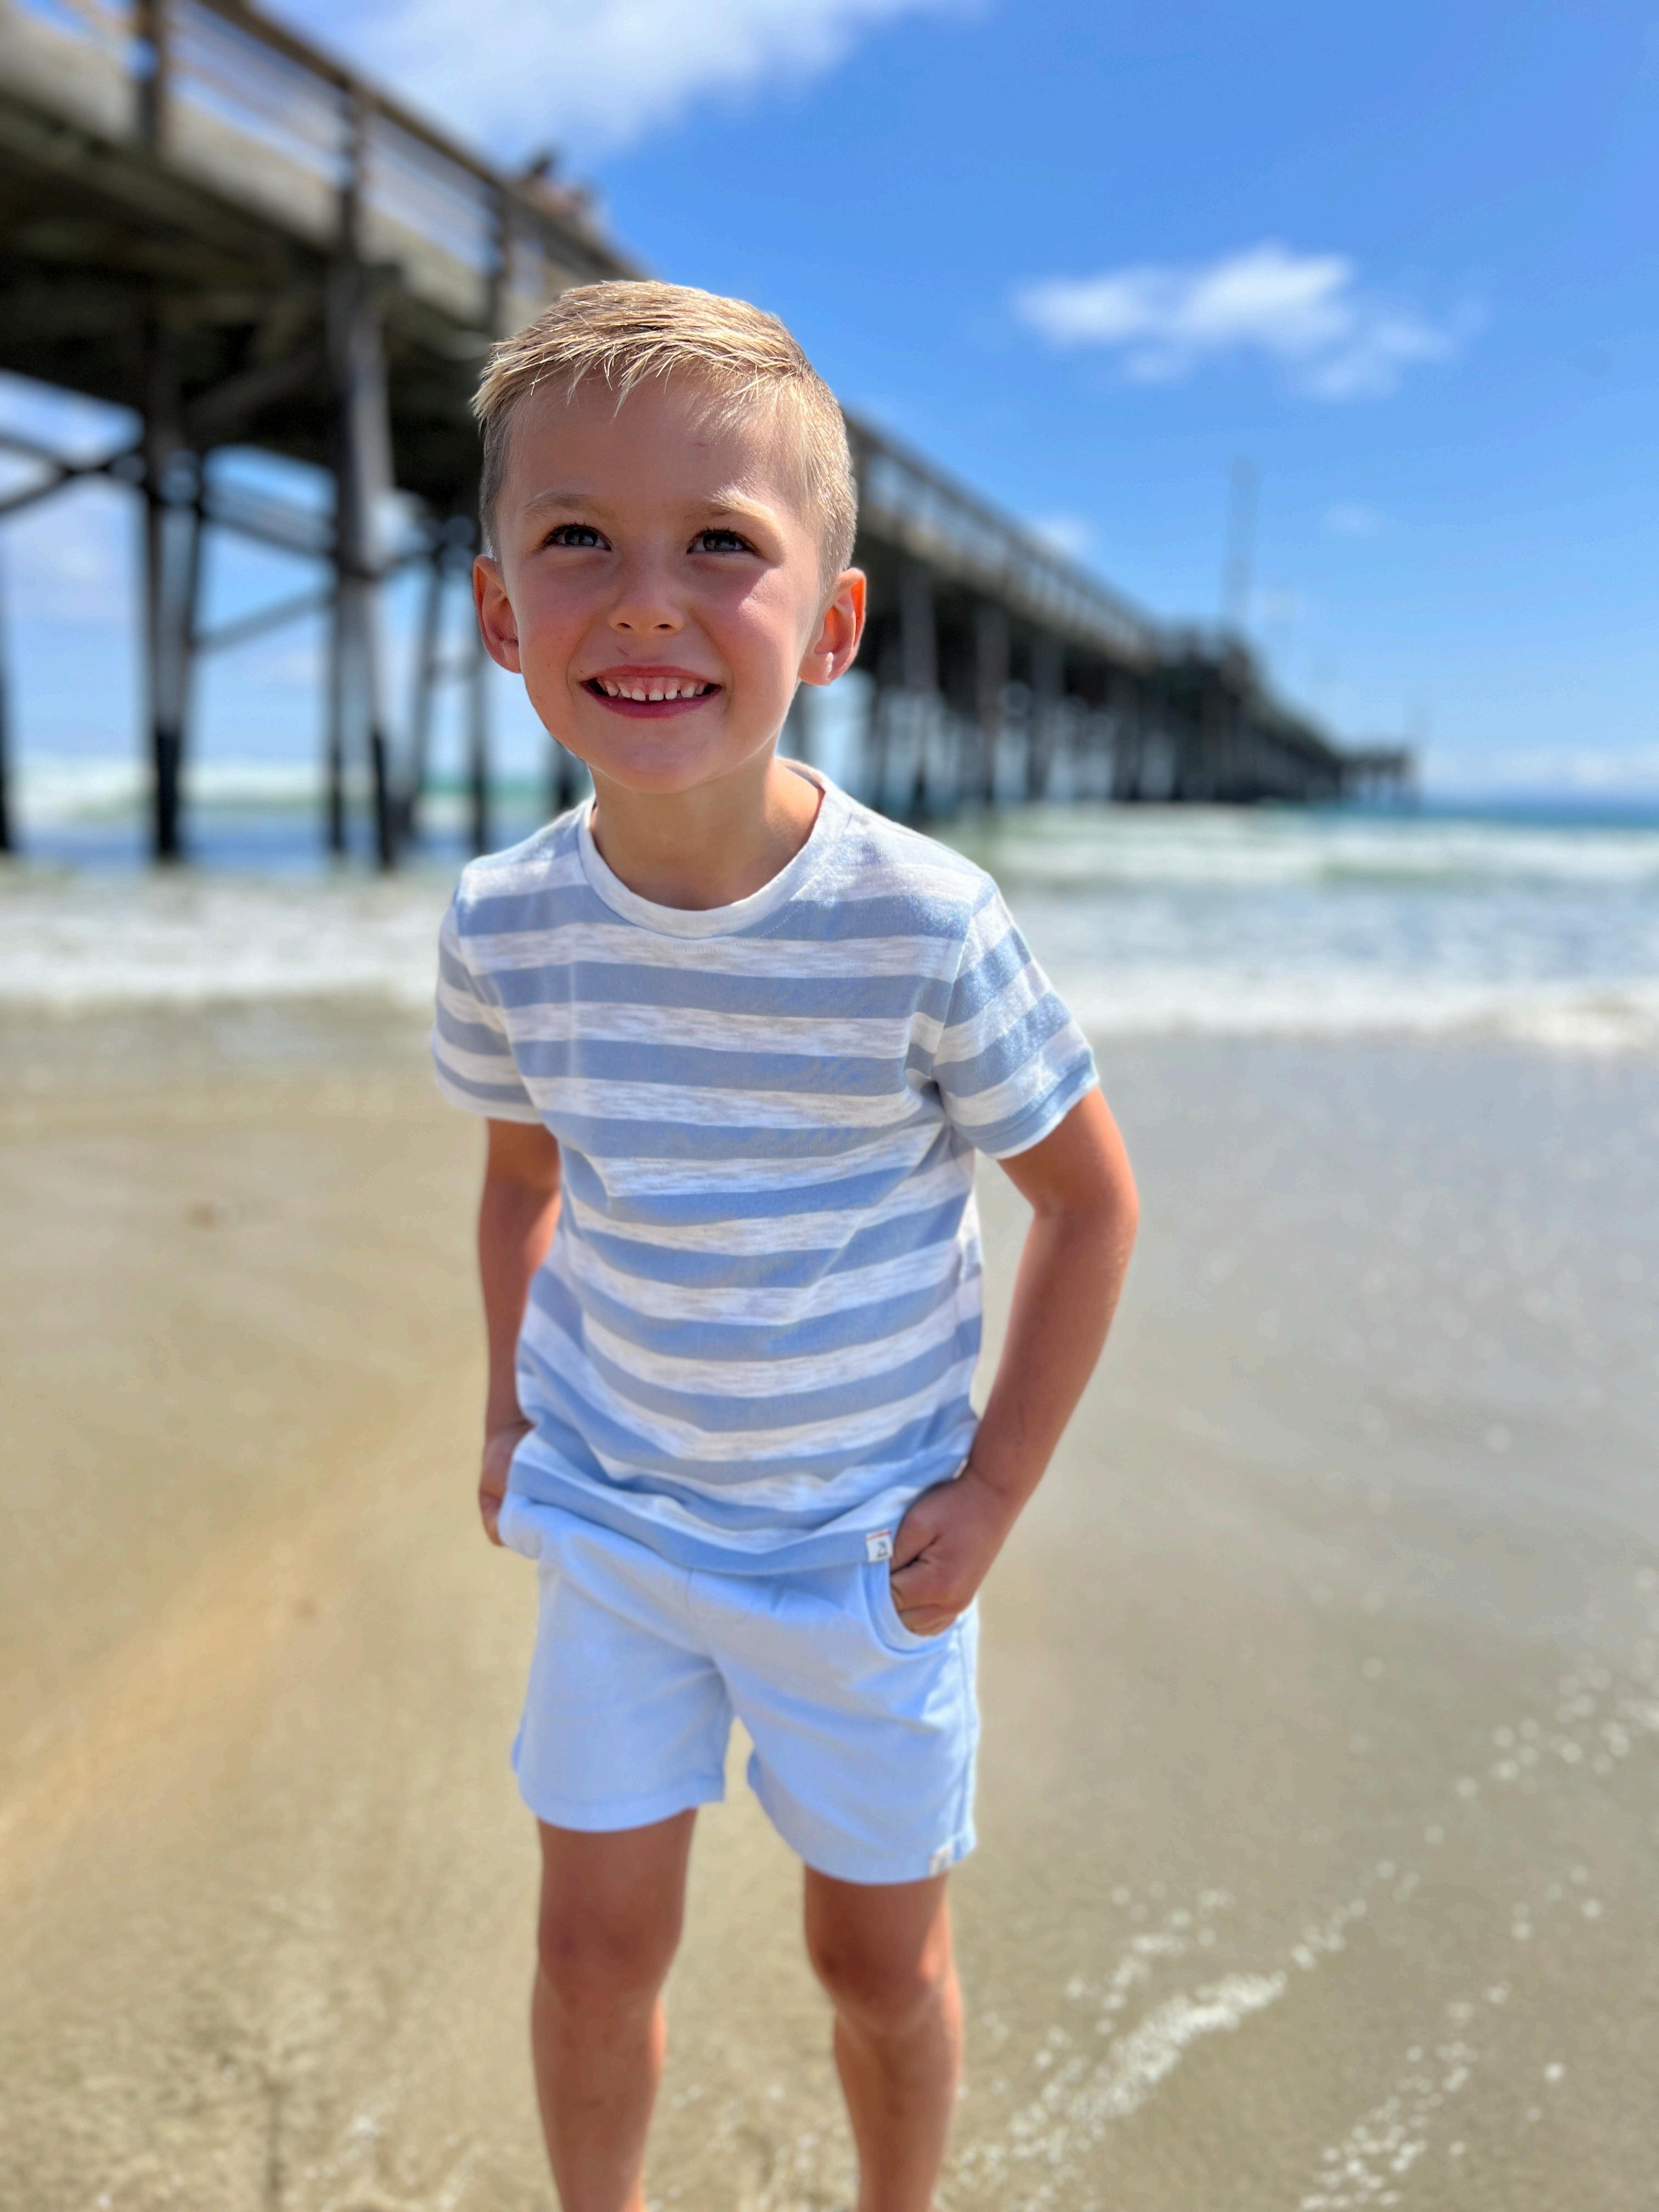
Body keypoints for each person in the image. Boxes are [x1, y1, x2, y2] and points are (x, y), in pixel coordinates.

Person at [431, 279, 1139, 2212]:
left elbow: (1089, 1203)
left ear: (831, 624)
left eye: (721, 546)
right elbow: (520, 1180)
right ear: (498, 610)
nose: (645, 601)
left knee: (875, 1966)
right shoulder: (505, 925)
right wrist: (505, 1414)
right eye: (579, 539)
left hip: (860, 1550)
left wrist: (992, 1492)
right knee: (593, 1953)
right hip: (620, 1515)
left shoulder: (922, 924)